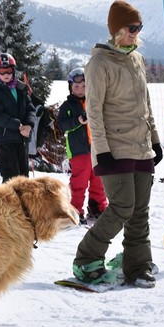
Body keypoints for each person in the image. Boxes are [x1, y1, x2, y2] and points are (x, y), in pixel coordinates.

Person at [72, 0, 161, 289]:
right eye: (132, 28)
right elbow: (94, 112)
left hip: (141, 147)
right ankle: (86, 258)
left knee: (140, 211)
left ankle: (138, 266)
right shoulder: (99, 63)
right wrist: (102, 151)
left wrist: (155, 140)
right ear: (117, 30)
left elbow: (146, 104)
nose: (136, 33)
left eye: (139, 27)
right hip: (114, 149)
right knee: (122, 207)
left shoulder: (137, 59)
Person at [57, 68, 108, 225]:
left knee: (99, 180)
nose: (80, 90)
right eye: (76, 87)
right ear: (71, 87)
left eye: (84, 86)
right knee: (79, 183)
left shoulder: (95, 102)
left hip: (97, 149)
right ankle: (75, 211)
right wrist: (78, 121)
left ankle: (97, 207)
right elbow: (62, 125)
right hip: (79, 151)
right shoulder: (67, 106)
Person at [0, 52, 35, 182]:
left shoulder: (20, 88)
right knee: (11, 178)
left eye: (9, 70)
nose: (6, 74)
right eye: (2, 71)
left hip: (22, 139)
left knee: (24, 178)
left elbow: (30, 109)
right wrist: (18, 125)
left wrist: (29, 125)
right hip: (5, 139)